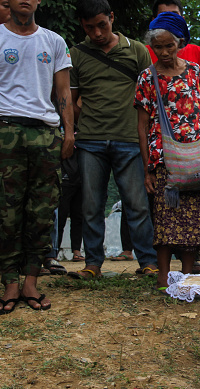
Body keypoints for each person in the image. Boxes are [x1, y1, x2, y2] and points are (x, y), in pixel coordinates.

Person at [67, 0, 158, 279]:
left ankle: (148, 262)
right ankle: (93, 264)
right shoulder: (77, 54)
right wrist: (71, 131)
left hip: (130, 139)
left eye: (102, 25)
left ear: (112, 18)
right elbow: (69, 101)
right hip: (90, 141)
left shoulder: (138, 51)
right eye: (89, 28)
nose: (96, 33)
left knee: (137, 203)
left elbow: (150, 98)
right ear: (83, 27)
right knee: (91, 205)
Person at [0, 0, 74, 312]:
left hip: (45, 132)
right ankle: (10, 283)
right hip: (5, 130)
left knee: (42, 208)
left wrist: (69, 131)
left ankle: (31, 280)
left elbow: (63, 91)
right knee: (6, 209)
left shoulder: (54, 41)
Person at [136, 12, 200, 290]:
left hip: (194, 157)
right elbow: (142, 127)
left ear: (180, 43)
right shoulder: (147, 77)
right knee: (166, 220)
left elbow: (198, 114)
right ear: (152, 47)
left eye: (170, 45)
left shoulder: (194, 71)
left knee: (192, 221)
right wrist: (147, 168)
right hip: (163, 160)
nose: (165, 52)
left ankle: (187, 277)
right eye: (159, 46)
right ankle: (163, 277)